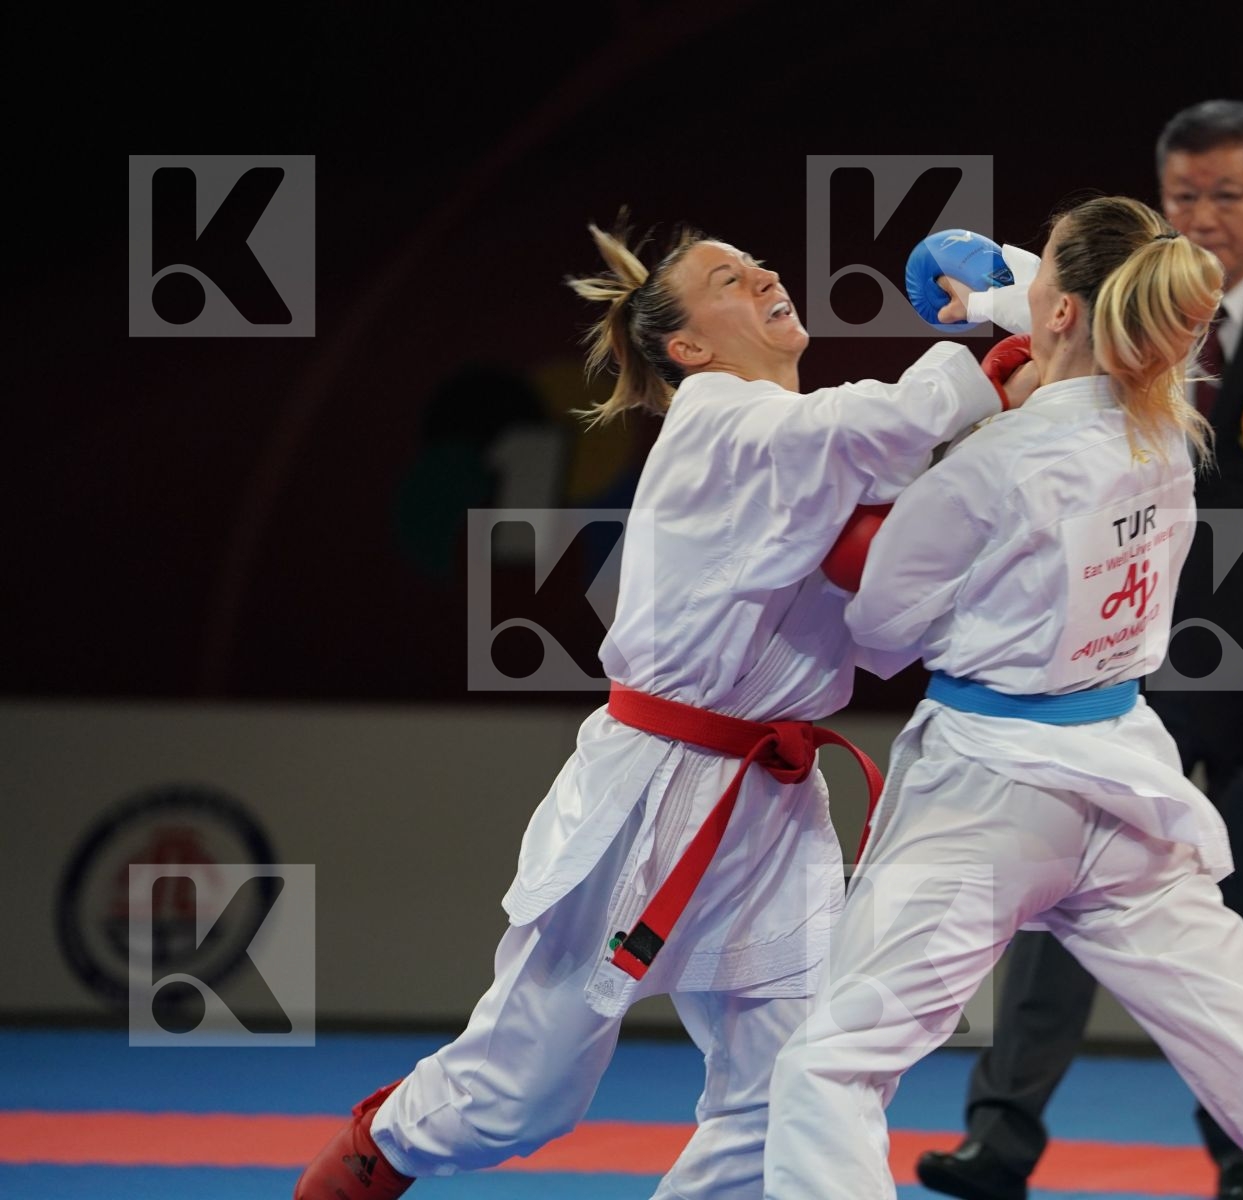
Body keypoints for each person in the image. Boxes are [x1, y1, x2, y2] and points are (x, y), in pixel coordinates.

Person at [291, 219, 1009, 1199]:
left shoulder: (830, 451)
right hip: (649, 792)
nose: (763, 273)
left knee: (791, 1087)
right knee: (519, 1096)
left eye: (756, 261)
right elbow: (865, 422)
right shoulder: (720, 420)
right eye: (728, 277)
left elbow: (888, 624)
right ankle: (366, 1162)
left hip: (774, 800)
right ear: (690, 348)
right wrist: (1002, 353)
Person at [763, 196, 1243, 1200]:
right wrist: (993, 282)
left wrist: (906, 558)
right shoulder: (1168, 423)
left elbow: (884, 630)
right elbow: (1095, 312)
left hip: (986, 798)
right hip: (1123, 782)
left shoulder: (992, 464)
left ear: (1065, 313)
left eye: (1038, 290)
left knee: (832, 1064)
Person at [919, 100, 1243, 1200]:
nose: (1203, 216)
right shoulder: (1116, 307)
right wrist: (979, 294)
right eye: (1183, 196)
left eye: (1226, 195)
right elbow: (1037, 305)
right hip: (1115, 658)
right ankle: (999, 1141)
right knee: (1053, 915)